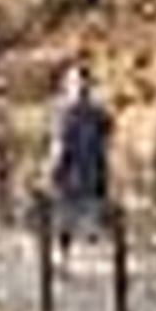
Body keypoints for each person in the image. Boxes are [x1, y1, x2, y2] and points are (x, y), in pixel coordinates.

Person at [47, 63, 113, 265]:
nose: (80, 88)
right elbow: (59, 141)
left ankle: (83, 253)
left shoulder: (92, 112)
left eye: (83, 84)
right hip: (74, 169)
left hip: (89, 167)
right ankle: (65, 252)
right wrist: (55, 166)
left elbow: (106, 133)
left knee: (85, 212)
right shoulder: (66, 111)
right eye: (76, 83)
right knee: (68, 213)